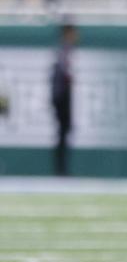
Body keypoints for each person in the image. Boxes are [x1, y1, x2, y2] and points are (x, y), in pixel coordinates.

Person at [49, 24, 75, 175]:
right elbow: (59, 78)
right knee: (62, 132)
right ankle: (60, 169)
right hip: (62, 99)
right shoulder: (61, 52)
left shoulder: (67, 52)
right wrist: (56, 98)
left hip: (64, 98)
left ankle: (62, 168)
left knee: (65, 132)